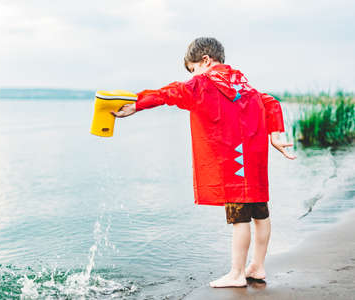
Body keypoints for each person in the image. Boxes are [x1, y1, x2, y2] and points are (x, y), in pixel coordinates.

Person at [111, 37, 296, 288]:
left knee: (239, 217)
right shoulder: (243, 83)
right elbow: (270, 102)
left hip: (234, 162)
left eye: (193, 69)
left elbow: (170, 92)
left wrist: (137, 105)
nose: (193, 76)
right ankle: (258, 266)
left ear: (205, 60)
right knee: (260, 213)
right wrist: (274, 135)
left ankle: (237, 273)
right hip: (254, 161)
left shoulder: (203, 83)